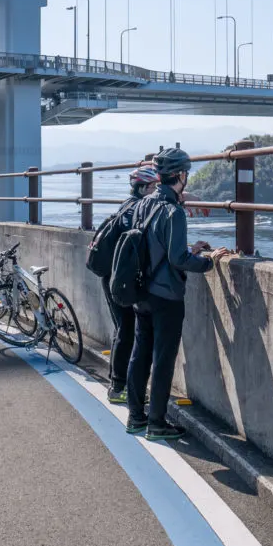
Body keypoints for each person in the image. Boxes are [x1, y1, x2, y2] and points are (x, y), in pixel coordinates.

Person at [126, 148, 228, 440]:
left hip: (141, 290)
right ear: (181, 175)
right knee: (163, 358)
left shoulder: (143, 204)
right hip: (167, 296)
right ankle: (157, 423)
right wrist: (208, 261)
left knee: (140, 352)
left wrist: (186, 250)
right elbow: (177, 260)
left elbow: (152, 245)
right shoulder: (175, 212)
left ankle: (136, 417)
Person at [102, 165, 160, 404]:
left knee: (124, 328)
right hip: (120, 278)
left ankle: (119, 385)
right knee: (126, 330)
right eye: (154, 187)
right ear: (144, 187)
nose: (156, 191)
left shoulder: (128, 205)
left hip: (113, 275)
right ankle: (117, 387)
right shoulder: (138, 210)